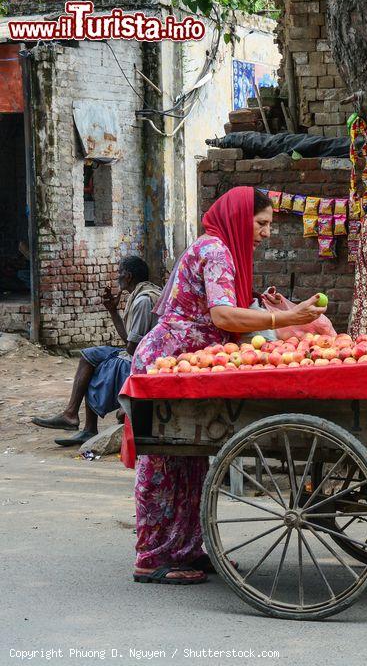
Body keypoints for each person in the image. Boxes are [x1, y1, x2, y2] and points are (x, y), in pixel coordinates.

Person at [129, 186, 326, 585]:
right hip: (171, 362)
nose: (268, 233)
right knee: (165, 465)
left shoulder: (215, 247)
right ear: (239, 218)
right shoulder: (217, 251)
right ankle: (152, 557)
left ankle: (188, 550)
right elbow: (221, 316)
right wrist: (285, 321)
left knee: (191, 463)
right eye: (262, 223)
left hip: (188, 363)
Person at [31, 256, 160, 446]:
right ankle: (72, 415)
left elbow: (133, 348)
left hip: (143, 361)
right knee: (88, 355)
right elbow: (130, 342)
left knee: (97, 367)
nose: (118, 277)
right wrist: (113, 311)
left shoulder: (143, 300)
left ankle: (86, 426)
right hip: (136, 352)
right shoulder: (141, 295)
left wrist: (115, 320)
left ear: (129, 276)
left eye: (120, 273)